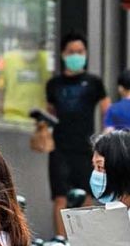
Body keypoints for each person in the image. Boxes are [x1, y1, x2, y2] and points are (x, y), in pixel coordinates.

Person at [46, 32, 107, 232]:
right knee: (60, 197)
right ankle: (60, 242)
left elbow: (108, 111)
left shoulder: (93, 82)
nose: (76, 55)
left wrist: (106, 139)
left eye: (80, 52)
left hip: (85, 148)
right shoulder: (54, 84)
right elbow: (49, 114)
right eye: (71, 52)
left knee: (86, 197)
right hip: (60, 148)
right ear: (63, 54)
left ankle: (84, 243)